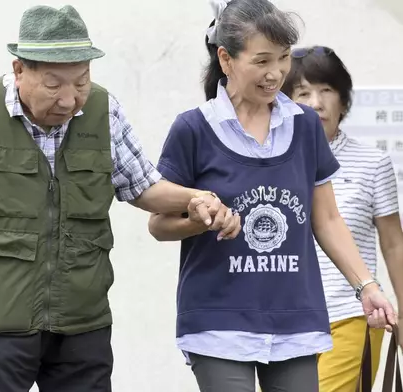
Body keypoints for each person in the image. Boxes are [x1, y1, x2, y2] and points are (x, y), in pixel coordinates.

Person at [0, 5, 239, 392]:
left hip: (82, 318)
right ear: (18, 71)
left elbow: (144, 187)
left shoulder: (103, 109)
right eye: (53, 84)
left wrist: (196, 198)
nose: (69, 99)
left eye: (81, 81)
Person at [147, 0, 398, 391]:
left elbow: (327, 219)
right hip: (218, 322)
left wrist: (367, 286)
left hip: (296, 321)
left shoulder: (305, 128)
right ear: (226, 59)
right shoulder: (193, 130)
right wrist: (198, 219)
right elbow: (159, 224)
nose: (275, 73)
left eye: (282, 59)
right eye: (261, 61)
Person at [281, 45, 403, 392]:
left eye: (326, 90)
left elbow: (394, 245)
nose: (316, 103)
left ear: (344, 102)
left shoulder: (373, 163)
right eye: (303, 92)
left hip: (352, 317)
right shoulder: (271, 161)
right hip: (284, 324)